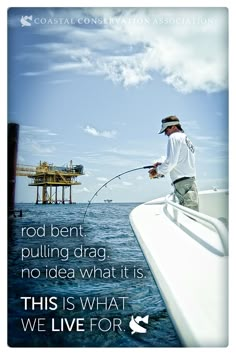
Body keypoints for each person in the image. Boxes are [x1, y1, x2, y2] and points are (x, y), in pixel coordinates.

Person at [149, 115, 199, 211]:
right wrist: (162, 164)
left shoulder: (174, 137)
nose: (165, 134)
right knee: (192, 214)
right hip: (190, 182)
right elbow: (179, 160)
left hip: (182, 184)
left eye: (166, 130)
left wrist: (156, 171)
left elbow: (171, 162)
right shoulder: (186, 138)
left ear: (173, 127)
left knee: (188, 217)